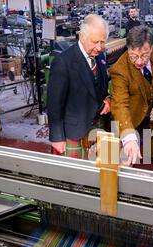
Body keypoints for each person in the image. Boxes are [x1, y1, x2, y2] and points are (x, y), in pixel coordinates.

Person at [47, 14, 111, 159]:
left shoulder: (100, 56)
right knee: (73, 177)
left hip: (98, 125)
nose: (100, 47)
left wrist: (107, 98)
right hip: (74, 132)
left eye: (103, 42)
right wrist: (57, 137)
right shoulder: (63, 62)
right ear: (82, 37)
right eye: (95, 42)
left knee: (97, 172)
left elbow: (101, 85)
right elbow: (54, 104)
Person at [109, 26, 153, 166]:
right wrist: (128, 137)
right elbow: (120, 105)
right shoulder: (120, 70)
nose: (139, 61)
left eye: (144, 55)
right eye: (133, 56)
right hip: (128, 120)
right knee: (126, 161)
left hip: (145, 115)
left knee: (140, 149)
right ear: (128, 49)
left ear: (151, 48)